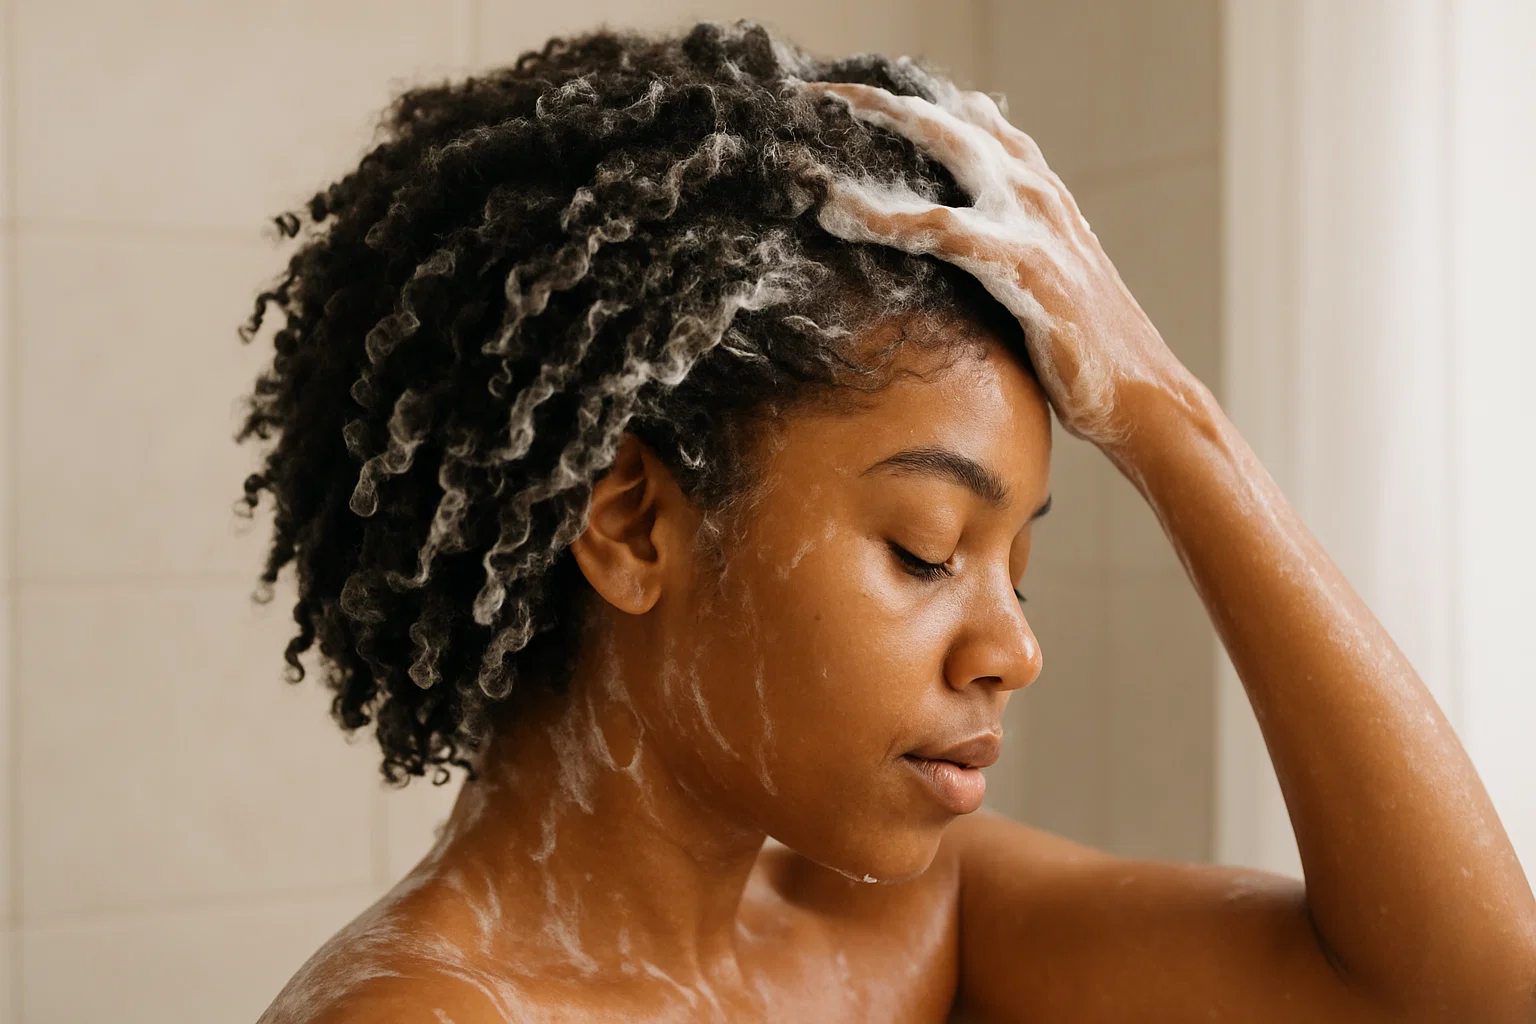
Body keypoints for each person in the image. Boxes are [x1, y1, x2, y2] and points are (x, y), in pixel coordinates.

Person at [241, 19, 1536, 1023]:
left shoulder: (894, 925)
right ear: (635, 524)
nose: (1013, 650)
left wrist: (1165, 416)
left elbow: (1462, 994)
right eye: (928, 549)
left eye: (1017, 570)